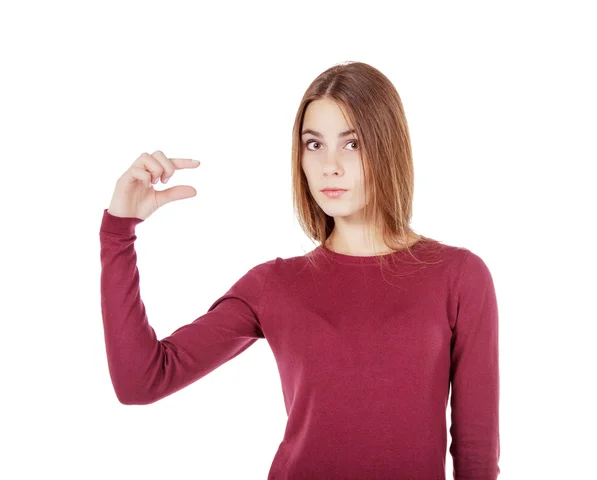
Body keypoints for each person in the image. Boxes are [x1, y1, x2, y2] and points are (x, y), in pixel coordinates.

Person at [99, 61, 501, 479]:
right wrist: (118, 232)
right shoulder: (274, 286)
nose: (330, 165)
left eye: (352, 143)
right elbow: (141, 382)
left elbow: (475, 456)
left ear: (388, 147)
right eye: (314, 144)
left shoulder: (458, 277)